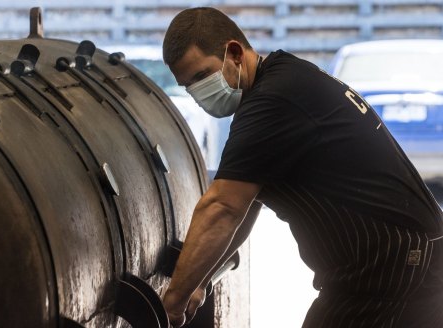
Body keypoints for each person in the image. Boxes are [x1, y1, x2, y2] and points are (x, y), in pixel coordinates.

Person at [161, 7, 443, 328]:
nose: (198, 93)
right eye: (188, 86)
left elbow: (222, 207)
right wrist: (199, 278)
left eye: (202, 76)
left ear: (235, 53)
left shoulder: (274, 101)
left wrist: (173, 301)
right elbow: (244, 206)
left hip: (396, 262)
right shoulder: (277, 82)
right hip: (383, 264)